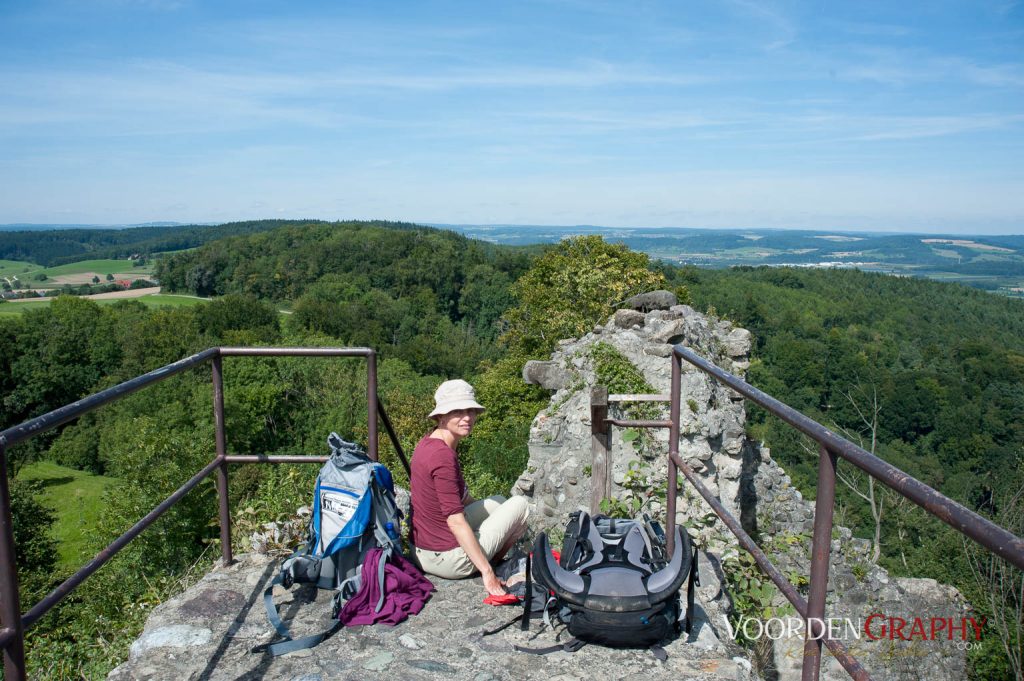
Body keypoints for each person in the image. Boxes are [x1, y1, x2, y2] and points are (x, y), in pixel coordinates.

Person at [410, 379, 529, 596]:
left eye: (471, 411)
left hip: (422, 550)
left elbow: (463, 499)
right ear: (441, 416)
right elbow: (455, 521)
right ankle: (491, 564)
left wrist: (491, 521)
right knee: (520, 505)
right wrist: (487, 573)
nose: (468, 418)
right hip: (447, 559)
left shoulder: (429, 443)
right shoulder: (443, 456)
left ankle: (484, 552)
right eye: (458, 411)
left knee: (499, 503)